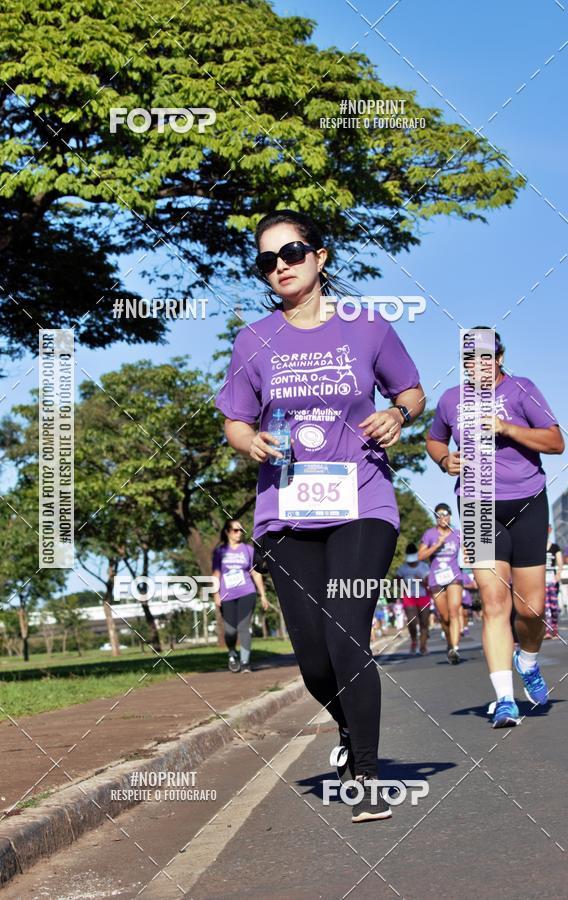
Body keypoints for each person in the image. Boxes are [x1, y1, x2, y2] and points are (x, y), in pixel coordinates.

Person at [214, 209, 425, 821]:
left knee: (345, 633)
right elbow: (235, 416)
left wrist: (398, 416)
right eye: (267, 260)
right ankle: (348, 728)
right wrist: (245, 441)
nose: (281, 265)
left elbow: (408, 390)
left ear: (321, 256)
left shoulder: (368, 326)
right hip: (285, 512)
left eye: (293, 252)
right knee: (312, 657)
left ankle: (365, 775)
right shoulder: (254, 340)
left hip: (363, 500)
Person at [427, 328, 564, 727]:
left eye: (485, 357)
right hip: (477, 507)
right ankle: (505, 697)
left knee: (531, 609)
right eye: (469, 359)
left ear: (500, 358)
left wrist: (507, 428)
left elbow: (556, 443)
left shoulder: (523, 390)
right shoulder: (451, 399)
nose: (478, 365)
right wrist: (443, 460)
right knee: (493, 602)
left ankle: (529, 660)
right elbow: (434, 441)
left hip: (526, 503)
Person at [212, 519, 269, 673]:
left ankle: (245, 662)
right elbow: (216, 574)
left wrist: (263, 595)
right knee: (230, 631)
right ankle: (232, 654)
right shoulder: (220, 552)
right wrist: (216, 594)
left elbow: (255, 573)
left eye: (241, 530)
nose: (239, 533)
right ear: (227, 532)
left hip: (247, 592)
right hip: (227, 595)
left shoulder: (248, 550)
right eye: (235, 530)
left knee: (243, 627)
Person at [418, 504, 463, 664]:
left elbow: (469, 552)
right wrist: (436, 545)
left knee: (453, 611)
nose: (442, 518)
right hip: (436, 579)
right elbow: (420, 555)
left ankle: (455, 648)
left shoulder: (457, 534)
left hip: (454, 576)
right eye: (438, 515)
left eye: (445, 514)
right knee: (444, 617)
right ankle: (450, 643)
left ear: (450, 516)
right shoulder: (430, 534)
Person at [396, 543, 431, 655]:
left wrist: (420, 580)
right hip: (409, 597)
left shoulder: (424, 567)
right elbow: (398, 582)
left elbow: (429, 582)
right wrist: (403, 584)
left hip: (423, 596)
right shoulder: (402, 569)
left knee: (424, 622)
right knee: (411, 621)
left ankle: (423, 646)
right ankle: (414, 640)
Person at [544, 525, 563, 640]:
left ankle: (554, 629)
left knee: (554, 607)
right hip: (541, 581)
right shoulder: (538, 547)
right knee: (545, 608)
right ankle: (547, 631)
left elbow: (560, 563)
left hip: (552, 580)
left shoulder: (555, 547)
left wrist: (558, 574)